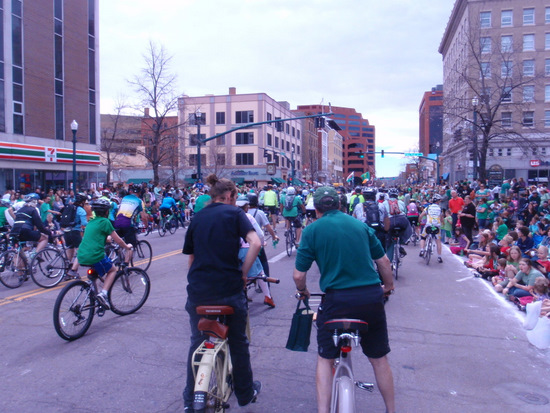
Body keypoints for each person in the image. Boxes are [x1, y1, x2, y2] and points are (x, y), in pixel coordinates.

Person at [292, 186, 396, 413]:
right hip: (370, 298)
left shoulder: (312, 230)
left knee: (325, 358)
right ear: (340, 205)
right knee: (379, 359)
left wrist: (303, 291)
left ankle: (323, 410)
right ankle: (391, 410)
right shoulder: (360, 226)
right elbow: (384, 263)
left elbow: (299, 275)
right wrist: (387, 287)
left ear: (316, 209)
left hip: (336, 301)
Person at [182, 174, 262, 410]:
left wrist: (194, 284)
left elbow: (191, 256)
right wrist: (244, 273)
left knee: (197, 342)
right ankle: (245, 393)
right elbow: (256, 243)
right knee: (238, 341)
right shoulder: (235, 213)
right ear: (230, 196)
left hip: (199, 291)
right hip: (228, 289)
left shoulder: (198, 218)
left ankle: (189, 401)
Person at [77, 198, 133, 309]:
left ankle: (95, 298)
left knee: (95, 274)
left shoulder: (91, 222)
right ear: (107, 212)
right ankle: (104, 294)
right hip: (95, 255)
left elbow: (95, 236)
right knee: (112, 270)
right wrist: (127, 247)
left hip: (81, 255)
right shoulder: (105, 222)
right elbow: (118, 240)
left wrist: (106, 239)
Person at [113, 186, 148, 266]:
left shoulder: (124, 198)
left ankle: (118, 256)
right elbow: (143, 216)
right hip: (127, 223)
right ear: (139, 193)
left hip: (117, 221)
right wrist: (146, 225)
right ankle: (125, 265)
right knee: (130, 246)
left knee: (119, 242)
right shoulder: (139, 201)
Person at [383, 188, 412, 258]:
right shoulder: (401, 202)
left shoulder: (384, 203)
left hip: (390, 221)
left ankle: (389, 257)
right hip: (401, 220)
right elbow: (405, 212)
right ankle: (403, 242)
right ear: (397, 196)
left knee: (387, 236)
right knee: (408, 228)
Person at [418, 193, 444, 263]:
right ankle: (439, 257)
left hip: (429, 224)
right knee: (438, 240)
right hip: (437, 225)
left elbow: (421, 215)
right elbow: (442, 218)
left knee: (423, 237)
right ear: (438, 201)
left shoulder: (428, 207)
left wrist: (419, 221)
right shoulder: (440, 209)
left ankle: (422, 250)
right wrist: (442, 223)